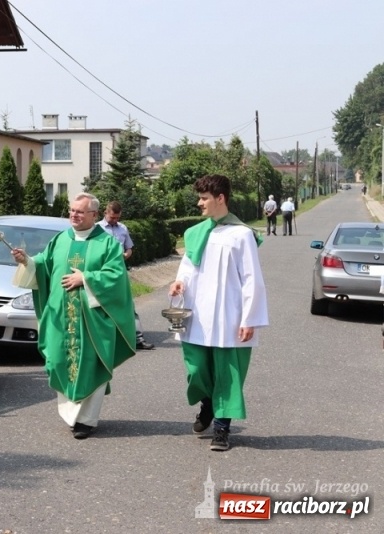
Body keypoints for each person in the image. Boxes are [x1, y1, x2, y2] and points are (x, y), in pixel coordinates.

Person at [10, 193, 136, 440]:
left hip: (93, 320)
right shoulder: (60, 240)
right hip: (61, 317)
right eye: (71, 210)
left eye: (80, 211)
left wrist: (85, 278)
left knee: (91, 364)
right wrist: (27, 261)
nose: (74, 215)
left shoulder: (108, 244)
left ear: (94, 215)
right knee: (59, 361)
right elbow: (44, 265)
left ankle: (86, 420)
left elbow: (116, 277)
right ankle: (71, 413)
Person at [169, 175, 268, 452]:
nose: (199, 203)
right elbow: (187, 269)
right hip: (197, 314)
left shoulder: (241, 234)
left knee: (228, 372)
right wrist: (179, 283)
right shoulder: (196, 233)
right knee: (197, 368)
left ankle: (222, 429)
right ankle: (209, 402)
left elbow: (252, 278)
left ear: (220, 198)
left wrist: (250, 318)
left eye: (204, 198)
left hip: (228, 315)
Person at [98, 200, 155, 350]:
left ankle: (138, 339)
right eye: (112, 218)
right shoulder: (96, 229)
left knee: (127, 303)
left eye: (117, 218)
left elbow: (129, 248)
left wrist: (126, 255)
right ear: (105, 213)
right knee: (102, 305)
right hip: (101, 273)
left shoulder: (122, 228)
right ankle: (106, 341)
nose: (115, 221)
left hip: (120, 271)